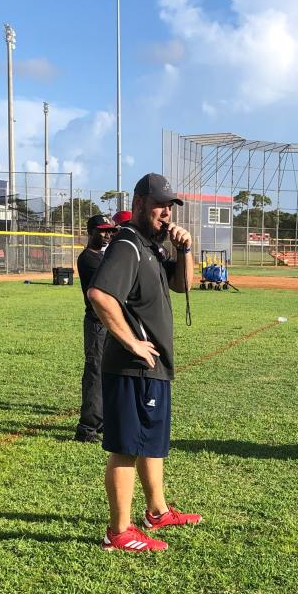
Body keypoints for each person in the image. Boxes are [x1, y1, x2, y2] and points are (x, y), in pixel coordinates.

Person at [87, 173, 202, 552]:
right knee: (126, 447)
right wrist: (133, 343)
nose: (165, 212)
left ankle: (157, 511)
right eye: (158, 205)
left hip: (155, 367)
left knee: (151, 442)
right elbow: (100, 295)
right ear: (138, 204)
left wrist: (185, 249)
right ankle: (118, 532)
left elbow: (184, 286)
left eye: (170, 206)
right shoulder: (127, 245)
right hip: (132, 367)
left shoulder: (153, 247)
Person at [74, 212, 117, 442]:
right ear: (90, 232)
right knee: (94, 373)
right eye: (101, 230)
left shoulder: (101, 256)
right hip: (96, 323)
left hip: (107, 323)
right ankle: (87, 427)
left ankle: (100, 421)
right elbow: (109, 285)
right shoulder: (88, 258)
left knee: (106, 372)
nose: (107, 234)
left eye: (109, 230)